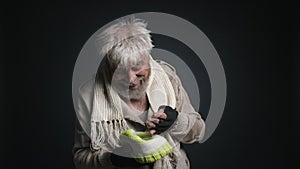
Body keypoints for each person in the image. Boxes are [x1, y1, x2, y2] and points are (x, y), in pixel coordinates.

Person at [72, 17, 206, 169]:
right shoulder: (89, 94)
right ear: (110, 66)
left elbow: (199, 132)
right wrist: (114, 160)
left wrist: (177, 122)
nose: (130, 79)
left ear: (148, 58)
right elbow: (80, 159)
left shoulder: (168, 77)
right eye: (120, 70)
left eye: (137, 67)